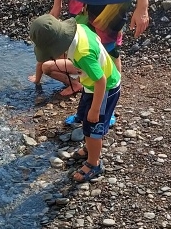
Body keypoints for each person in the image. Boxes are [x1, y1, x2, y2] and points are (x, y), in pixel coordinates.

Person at [30, 14, 121, 183]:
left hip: (105, 88)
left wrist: (95, 109)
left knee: (93, 126)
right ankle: (90, 148)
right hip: (91, 85)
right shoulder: (79, 28)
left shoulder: (82, 54)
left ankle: (94, 163)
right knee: (87, 122)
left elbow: (101, 81)